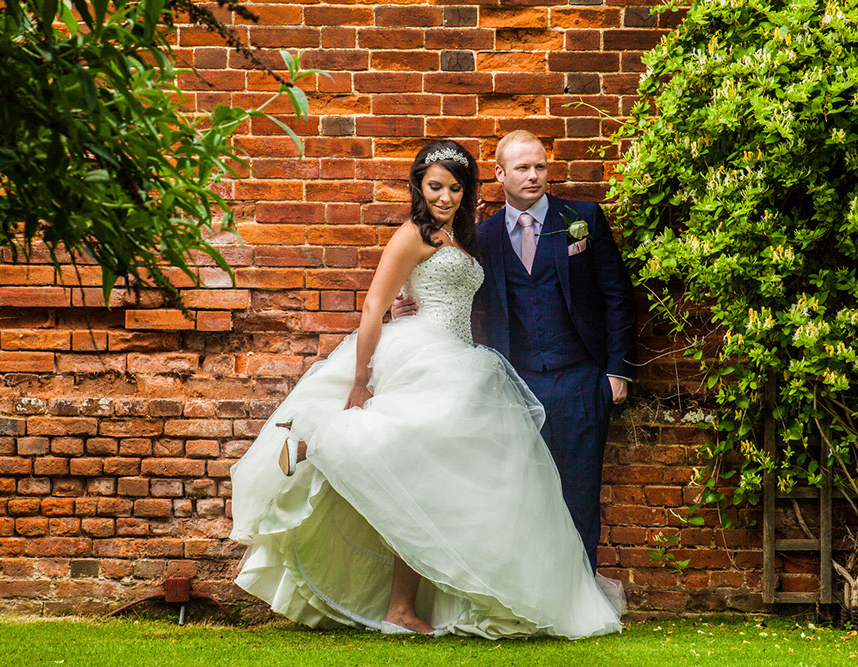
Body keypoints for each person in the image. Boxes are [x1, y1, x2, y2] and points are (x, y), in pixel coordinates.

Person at [230, 140, 625, 639]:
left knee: (424, 482)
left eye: (455, 188)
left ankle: (404, 604)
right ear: (419, 186)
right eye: (435, 186)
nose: (445, 196)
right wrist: (359, 380)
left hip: (462, 357)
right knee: (406, 451)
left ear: (469, 191)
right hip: (424, 354)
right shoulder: (413, 233)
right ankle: (316, 436)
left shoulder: (463, 237)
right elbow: (373, 306)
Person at [393, 130, 637, 568]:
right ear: (501, 174)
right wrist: (406, 302)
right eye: (523, 168)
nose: (534, 176)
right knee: (521, 493)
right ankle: (535, 590)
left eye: (540, 166)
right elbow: (453, 285)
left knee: (580, 491)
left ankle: (581, 591)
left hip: (580, 377)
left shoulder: (582, 218)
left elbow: (617, 295)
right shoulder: (480, 236)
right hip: (514, 382)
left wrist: (617, 371)